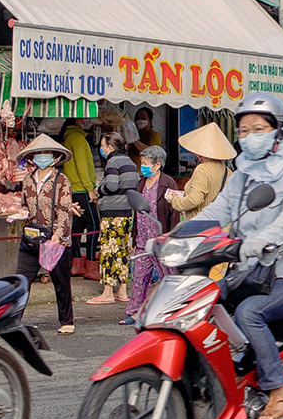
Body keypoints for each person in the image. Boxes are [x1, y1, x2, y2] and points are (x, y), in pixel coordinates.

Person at [194, 92, 283, 419]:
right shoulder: (243, 171)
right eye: (243, 131)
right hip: (251, 272)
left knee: (250, 313)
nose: (249, 137)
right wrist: (175, 235)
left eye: (258, 129)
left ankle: (280, 393)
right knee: (200, 302)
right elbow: (218, 210)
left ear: (278, 131)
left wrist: (258, 241)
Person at [14, 134, 80, 335]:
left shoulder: (61, 180)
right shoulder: (27, 180)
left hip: (54, 237)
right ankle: (14, 319)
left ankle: (66, 320)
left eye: (47, 153)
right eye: (39, 153)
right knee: (23, 279)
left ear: (54, 157)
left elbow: (64, 209)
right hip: (32, 235)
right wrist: (20, 213)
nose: (43, 157)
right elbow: (26, 205)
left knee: (60, 281)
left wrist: (58, 235)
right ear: (33, 157)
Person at [87, 132, 142, 306]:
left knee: (109, 251)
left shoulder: (113, 162)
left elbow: (111, 186)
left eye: (103, 146)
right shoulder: (131, 162)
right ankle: (123, 291)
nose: (102, 150)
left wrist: (98, 190)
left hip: (112, 213)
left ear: (110, 147)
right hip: (126, 211)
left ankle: (108, 292)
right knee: (122, 252)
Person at [124, 145, 177, 325]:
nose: (143, 166)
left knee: (168, 275)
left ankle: (174, 308)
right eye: (142, 163)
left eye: (146, 163)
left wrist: (172, 236)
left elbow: (174, 212)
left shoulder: (168, 183)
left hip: (161, 239)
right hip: (142, 239)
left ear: (157, 165)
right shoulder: (141, 183)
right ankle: (134, 312)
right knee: (139, 276)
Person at [169, 121, 234, 221]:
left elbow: (194, 200)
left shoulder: (202, 170)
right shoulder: (227, 170)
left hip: (202, 226)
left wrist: (175, 201)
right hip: (221, 225)